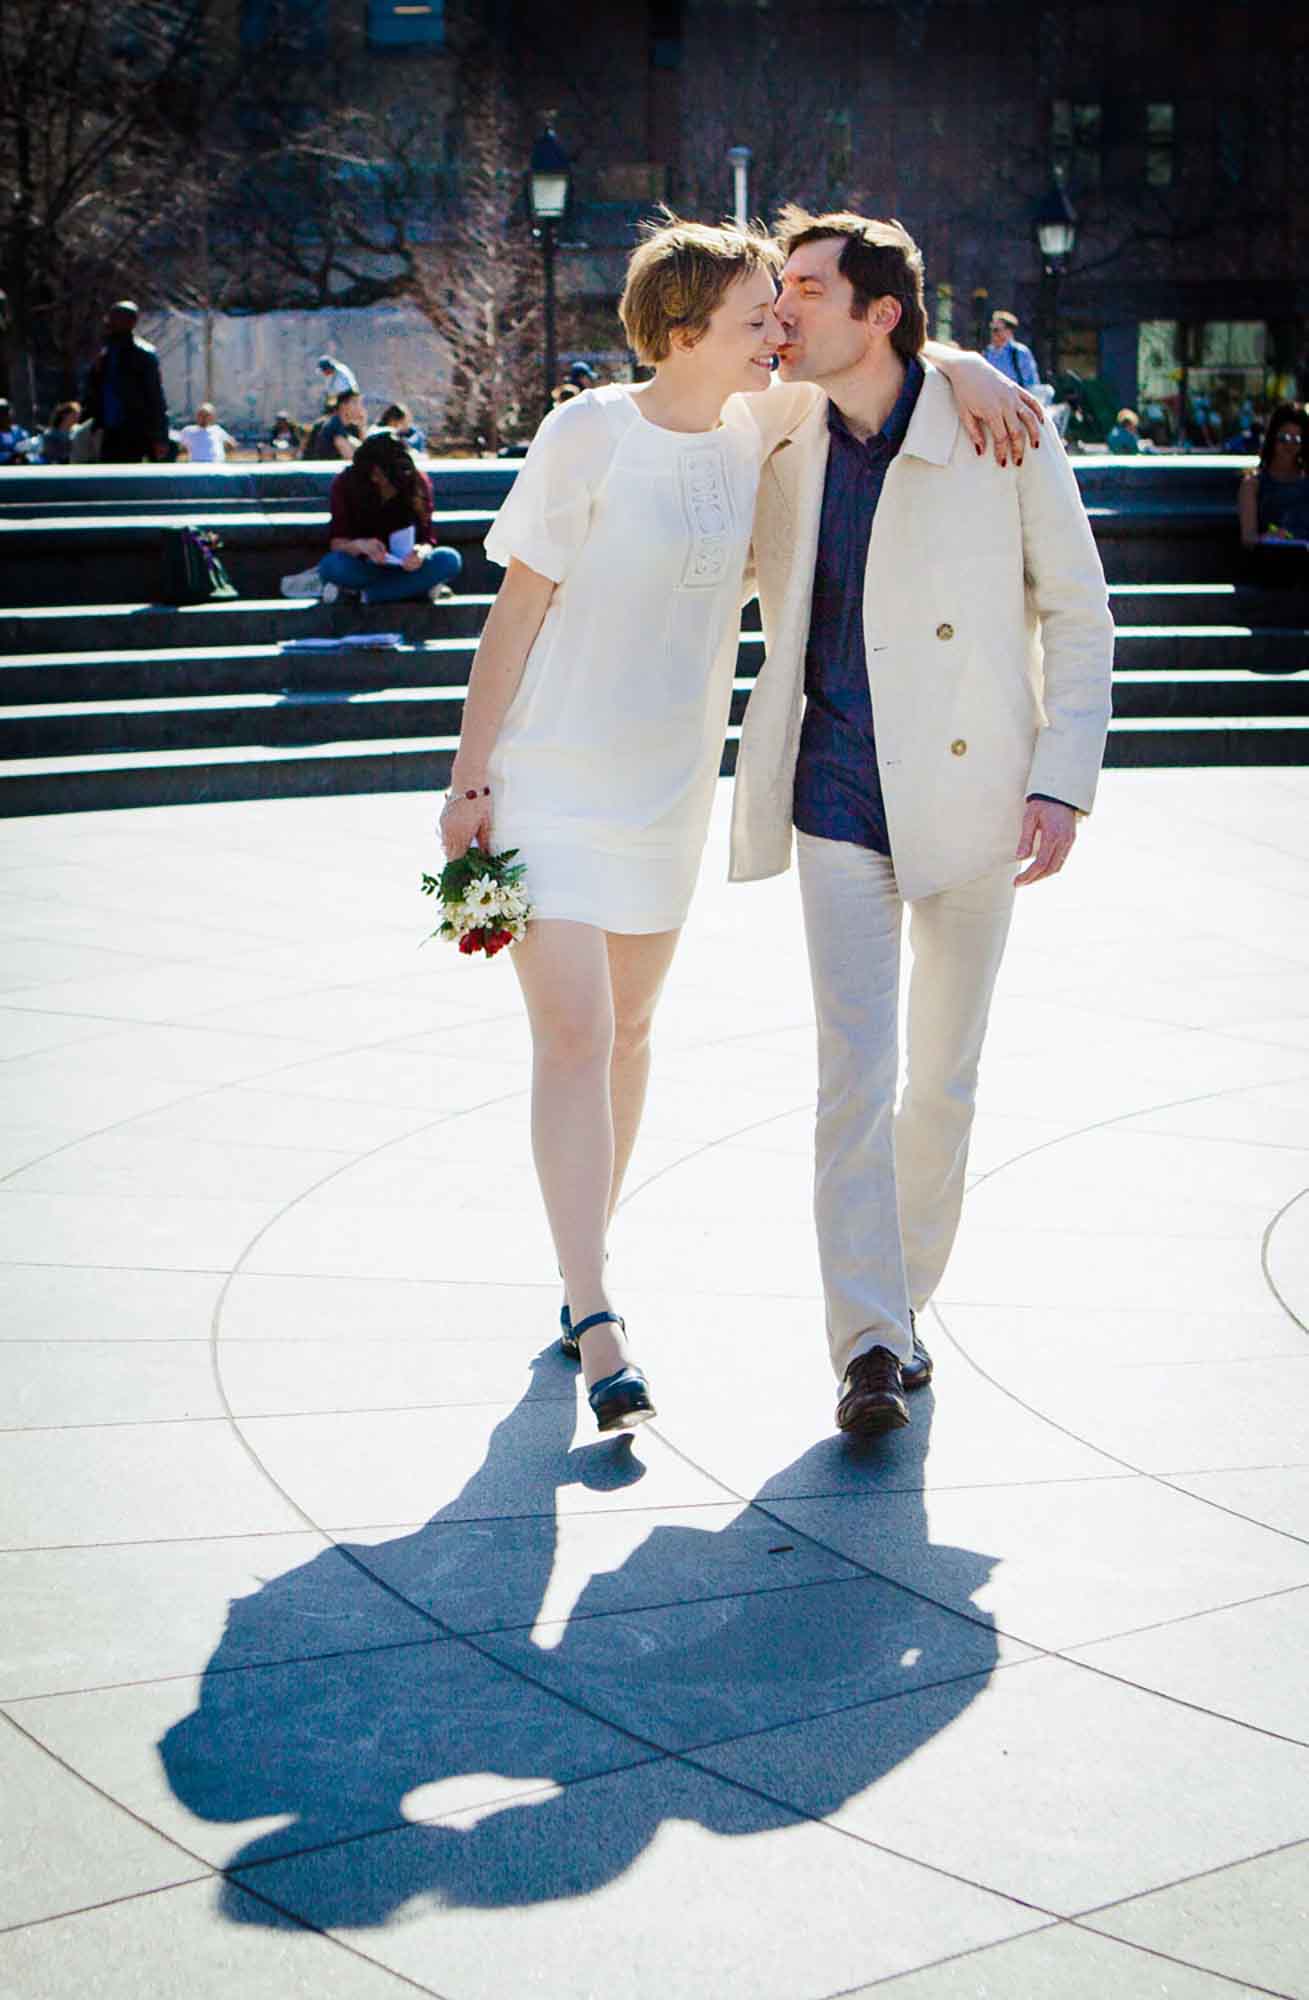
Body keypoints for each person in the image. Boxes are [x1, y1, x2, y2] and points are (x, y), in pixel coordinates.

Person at [439, 215, 1043, 1438]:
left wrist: (970, 363)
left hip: (666, 794)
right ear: (682, 326)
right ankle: (600, 1313)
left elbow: (885, 373)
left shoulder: (754, 431)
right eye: (759, 311)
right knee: (576, 1033)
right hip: (550, 775)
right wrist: (469, 781)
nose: (780, 324)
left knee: (631, 1033)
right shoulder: (587, 432)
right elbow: (515, 613)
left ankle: (574, 1265)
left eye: (783, 307)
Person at [730, 207, 1113, 1439]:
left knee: (940, 1081)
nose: (780, 307)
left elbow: (1079, 610)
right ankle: (868, 1346)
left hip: (973, 792)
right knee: (855, 1077)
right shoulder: (776, 426)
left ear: (879, 313)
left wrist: (1060, 776)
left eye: (803, 288)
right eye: (778, 288)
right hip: (834, 793)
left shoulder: (999, 425)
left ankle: (900, 1305)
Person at [291, 429, 463, 604]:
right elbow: (337, 543)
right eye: (388, 481)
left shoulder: (417, 482)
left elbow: (427, 539)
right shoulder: (344, 484)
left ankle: (365, 596)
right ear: (373, 474)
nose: (392, 489)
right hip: (364, 566)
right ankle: (411, 589)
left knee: (449, 559)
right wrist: (360, 546)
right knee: (331, 566)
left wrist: (420, 552)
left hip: (407, 567)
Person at [82, 301, 169, 462]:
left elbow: (155, 396)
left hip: (135, 428)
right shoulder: (104, 352)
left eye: (118, 318)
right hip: (107, 428)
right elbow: (93, 389)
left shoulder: (143, 355)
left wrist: (160, 435)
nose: (111, 322)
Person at [1238, 402, 1309, 550]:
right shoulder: (1252, 484)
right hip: (1273, 564)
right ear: (1272, 438)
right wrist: (1270, 538)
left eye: (1297, 440)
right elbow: (1248, 539)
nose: (1289, 446)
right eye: (1284, 438)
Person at [984, 309, 1040, 390]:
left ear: (1008, 331)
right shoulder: (987, 353)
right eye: (992, 329)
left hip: (1014, 400)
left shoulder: (1020, 352)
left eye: (996, 330)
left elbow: (1032, 383)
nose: (993, 334)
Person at [306, 390, 364, 461]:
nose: (360, 408)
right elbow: (351, 456)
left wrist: (362, 427)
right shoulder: (334, 425)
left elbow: (364, 448)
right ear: (343, 406)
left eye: (360, 403)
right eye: (355, 403)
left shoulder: (351, 427)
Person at [39, 400, 81, 465]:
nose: (76, 419)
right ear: (64, 415)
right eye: (73, 415)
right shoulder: (50, 435)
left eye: (77, 416)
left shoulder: (78, 432)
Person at [0, 399, 31, 464]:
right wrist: (10, 456)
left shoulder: (19, 432)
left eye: (6, 412)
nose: (5, 416)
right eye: (2, 413)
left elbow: (27, 450)